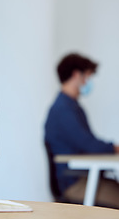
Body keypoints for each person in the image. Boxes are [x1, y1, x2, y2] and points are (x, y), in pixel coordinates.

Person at [45, 53, 119, 208]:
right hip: (74, 182)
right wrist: (114, 148)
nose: (88, 82)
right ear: (76, 75)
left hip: (83, 177)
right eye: (87, 77)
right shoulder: (63, 110)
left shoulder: (71, 106)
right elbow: (89, 144)